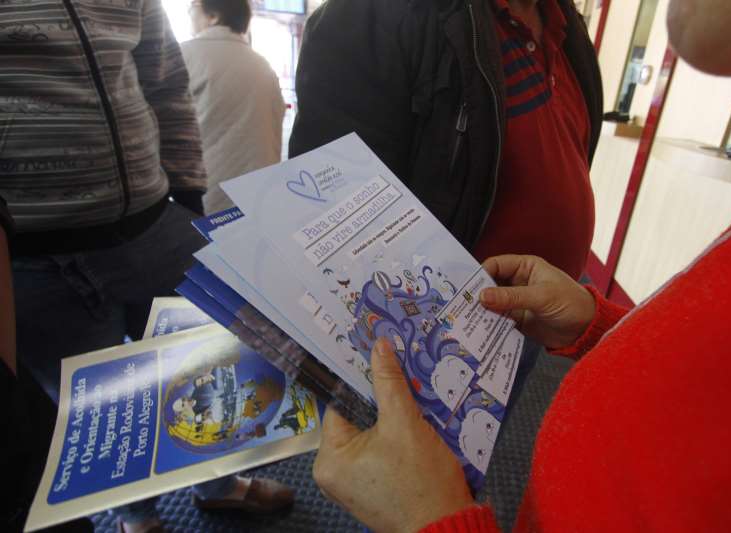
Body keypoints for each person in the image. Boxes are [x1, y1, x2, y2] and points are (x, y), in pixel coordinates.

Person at [310, 0, 731, 529]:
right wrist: (602, 327)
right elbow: (328, 204)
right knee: (396, 475)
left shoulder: (563, 25)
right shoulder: (384, 17)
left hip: (510, 333)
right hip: (442, 332)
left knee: (446, 470)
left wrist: (432, 520)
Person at [0, 1, 290, 531]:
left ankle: (218, 484)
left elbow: (165, 81)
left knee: (208, 363)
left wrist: (187, 194)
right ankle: (137, 517)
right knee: (96, 410)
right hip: (35, 252)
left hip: (157, 221)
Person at [290, 0, 602, 281]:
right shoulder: (373, 15)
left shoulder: (565, 22)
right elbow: (336, 224)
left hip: (559, 303)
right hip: (445, 315)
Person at [181, 0, 286, 214]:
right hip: (262, 196)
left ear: (213, 16)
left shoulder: (184, 56)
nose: (189, 13)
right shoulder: (262, 64)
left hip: (209, 199)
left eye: (192, 6)